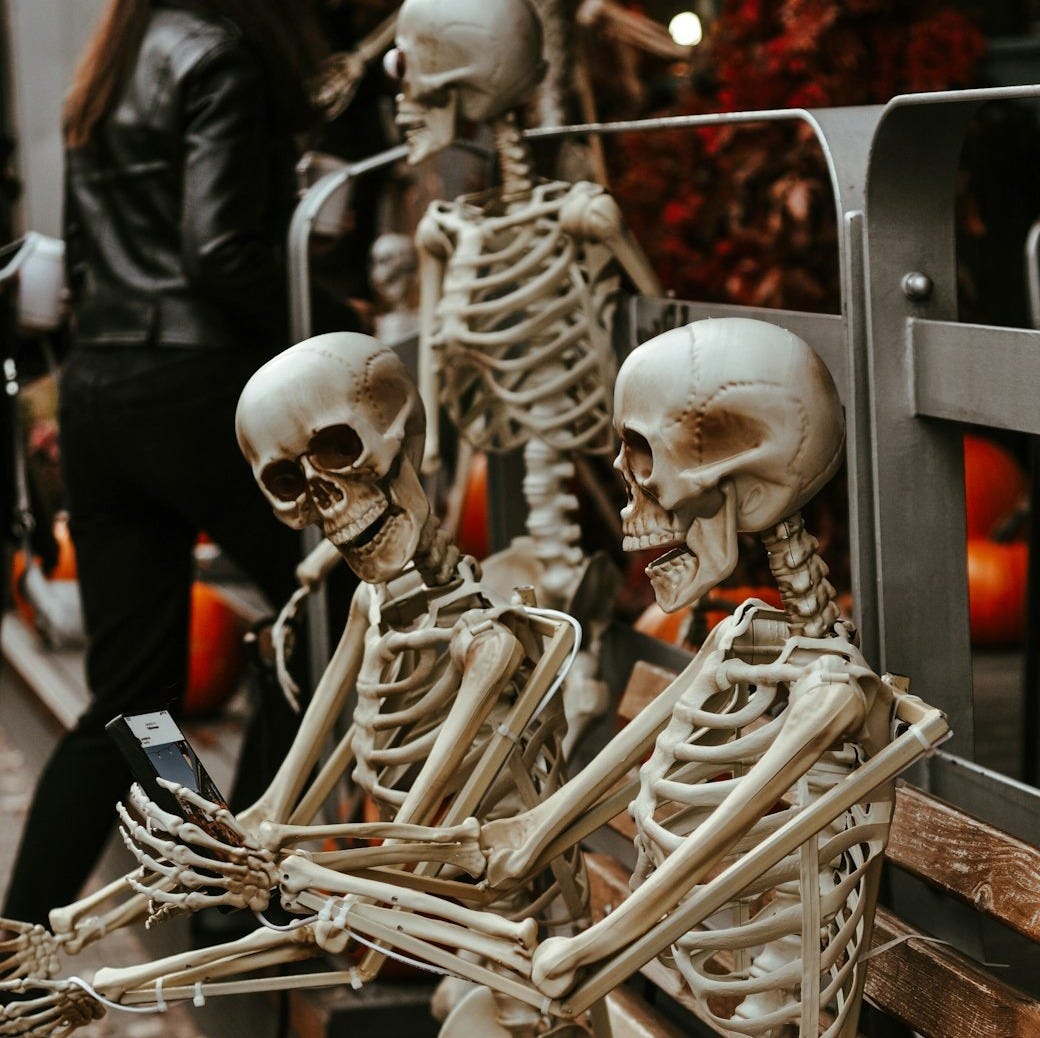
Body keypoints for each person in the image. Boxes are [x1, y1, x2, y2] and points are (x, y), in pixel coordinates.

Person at [2, 0, 344, 926]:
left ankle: (19, 950)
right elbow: (222, 248)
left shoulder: (106, 67)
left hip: (101, 391)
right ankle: (243, 894)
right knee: (330, 612)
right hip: (196, 385)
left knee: (128, 701)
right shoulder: (219, 55)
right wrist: (330, 324)